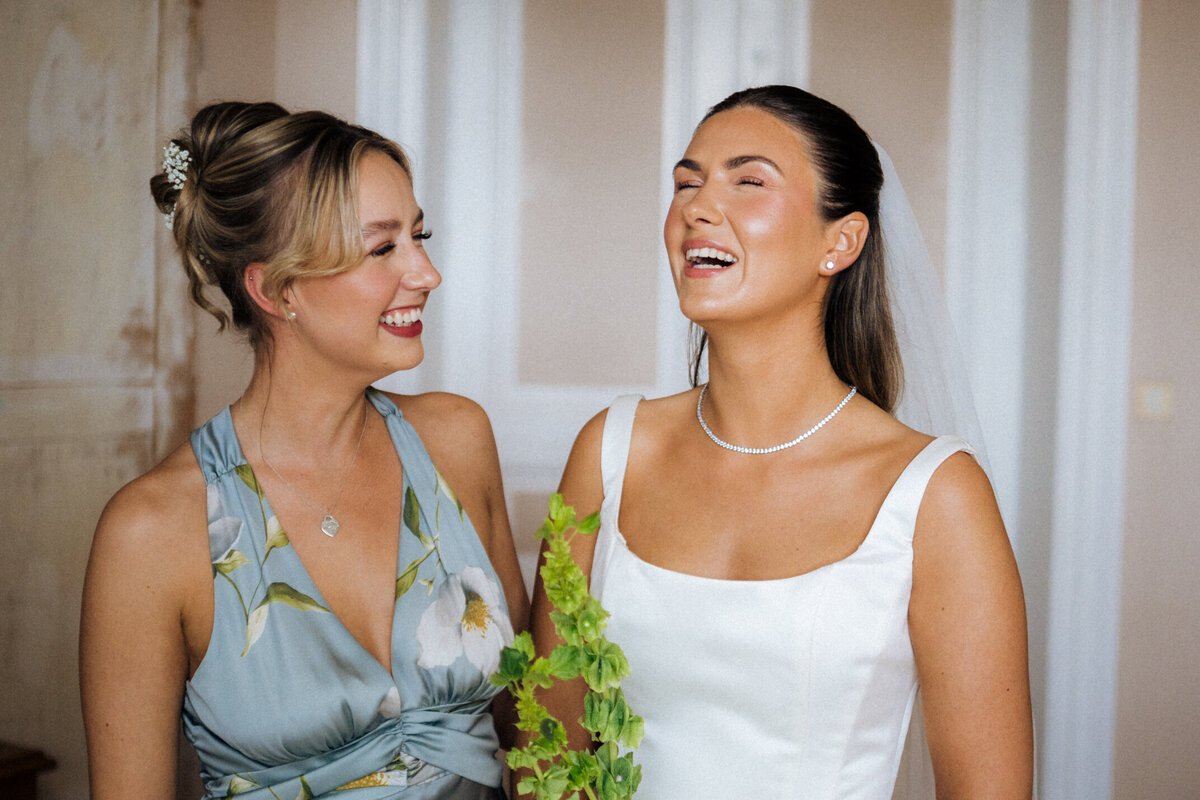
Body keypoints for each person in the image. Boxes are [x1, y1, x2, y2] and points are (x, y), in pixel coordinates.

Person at [530, 86, 1034, 798]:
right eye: (686, 183)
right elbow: (548, 756)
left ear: (841, 241)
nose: (697, 207)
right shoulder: (609, 453)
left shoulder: (934, 495)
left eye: (748, 181)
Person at [80, 102, 529, 800]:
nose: (427, 273)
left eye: (420, 236)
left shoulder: (456, 442)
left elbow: (530, 730)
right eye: (383, 248)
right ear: (277, 289)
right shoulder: (154, 533)